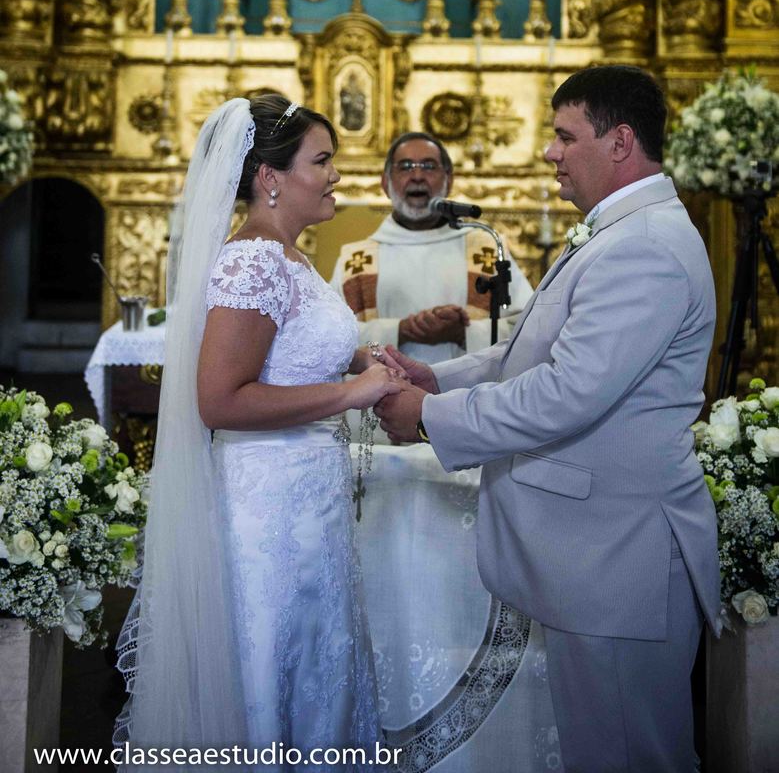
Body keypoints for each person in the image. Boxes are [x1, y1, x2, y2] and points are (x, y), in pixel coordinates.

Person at [374, 66, 721, 773]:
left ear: (619, 141)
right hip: (598, 556)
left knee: (627, 755)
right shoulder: (621, 232)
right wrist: (436, 375)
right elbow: (530, 347)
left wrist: (430, 417)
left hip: (619, 560)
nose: (549, 153)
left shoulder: (644, 246)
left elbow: (567, 392)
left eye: (564, 136)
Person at [115, 94, 405, 765]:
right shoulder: (252, 260)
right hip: (267, 513)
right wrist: (350, 392)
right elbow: (220, 400)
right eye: (322, 160)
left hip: (309, 507)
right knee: (270, 672)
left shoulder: (290, 258)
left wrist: (363, 359)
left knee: (314, 668)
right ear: (269, 177)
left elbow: (288, 352)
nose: (336, 174)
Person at [330, 131, 533, 366]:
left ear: (450, 181)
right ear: (385, 183)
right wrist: (400, 330)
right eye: (405, 166)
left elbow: (526, 328)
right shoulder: (356, 260)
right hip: (383, 397)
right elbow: (331, 338)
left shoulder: (486, 249)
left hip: (466, 397)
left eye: (429, 166)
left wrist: (463, 333)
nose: (417, 175)